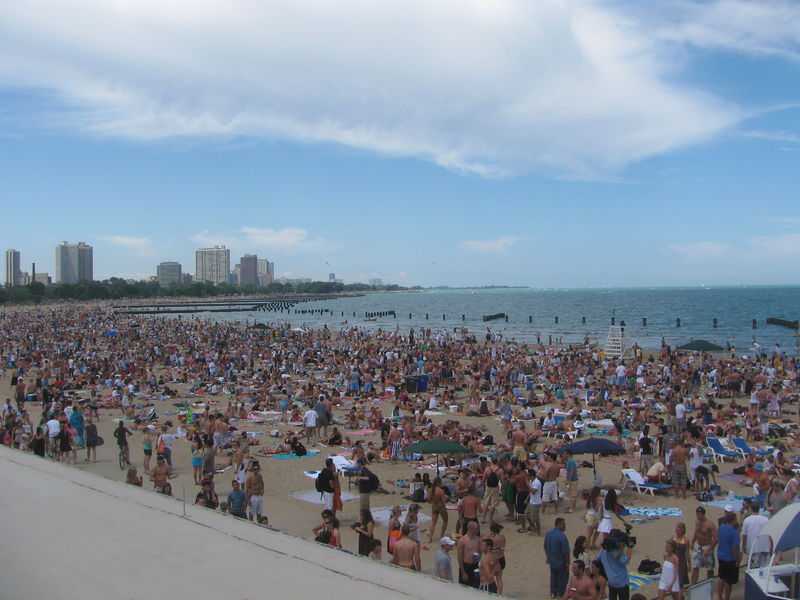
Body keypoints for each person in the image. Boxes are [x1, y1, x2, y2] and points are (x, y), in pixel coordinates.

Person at [597, 533, 633, 600]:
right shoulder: (617, 554)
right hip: (622, 583)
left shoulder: (603, 552)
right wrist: (630, 547)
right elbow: (626, 560)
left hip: (611, 582)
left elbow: (598, 558)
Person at [544, 517, 570, 599]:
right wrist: (567, 563)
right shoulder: (562, 536)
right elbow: (566, 552)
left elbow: (545, 546)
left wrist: (548, 556)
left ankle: (553, 593)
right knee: (562, 579)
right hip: (561, 562)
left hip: (552, 561)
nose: (565, 526)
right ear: (559, 524)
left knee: (553, 577)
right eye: (564, 524)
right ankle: (560, 594)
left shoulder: (548, 534)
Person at [716, 511, 740, 600]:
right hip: (730, 559)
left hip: (721, 556)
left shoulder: (721, 528)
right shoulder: (734, 532)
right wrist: (737, 560)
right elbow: (735, 548)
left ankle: (719, 597)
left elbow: (718, 539)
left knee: (721, 577)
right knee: (728, 581)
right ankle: (727, 598)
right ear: (733, 520)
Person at [690, 506, 717, 584]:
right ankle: (693, 586)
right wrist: (692, 542)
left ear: (703, 514)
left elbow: (716, 539)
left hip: (707, 547)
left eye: (699, 514)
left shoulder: (710, 524)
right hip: (698, 546)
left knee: (710, 568)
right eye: (697, 514)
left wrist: (709, 550)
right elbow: (696, 532)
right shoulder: (697, 522)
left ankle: (709, 584)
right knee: (695, 567)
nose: (698, 516)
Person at [741, 501, 770, 568]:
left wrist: (743, 546)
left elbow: (744, 535)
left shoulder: (747, 520)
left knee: (753, 569)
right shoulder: (766, 519)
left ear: (750, 508)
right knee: (763, 568)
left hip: (752, 548)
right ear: (759, 509)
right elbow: (769, 534)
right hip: (764, 547)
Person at [457, 520, 481, 588]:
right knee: (464, 587)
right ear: (471, 529)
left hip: (475, 566)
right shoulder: (462, 540)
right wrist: (463, 572)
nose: (478, 530)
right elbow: (459, 557)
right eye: (477, 528)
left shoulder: (478, 539)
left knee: (476, 586)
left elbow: (480, 553)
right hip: (466, 566)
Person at [428, 476, 449, 543]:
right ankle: (442, 536)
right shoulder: (440, 491)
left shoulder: (431, 489)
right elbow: (443, 501)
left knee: (433, 523)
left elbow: (429, 500)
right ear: (439, 483)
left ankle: (430, 538)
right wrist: (446, 498)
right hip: (441, 507)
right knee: (445, 521)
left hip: (434, 506)